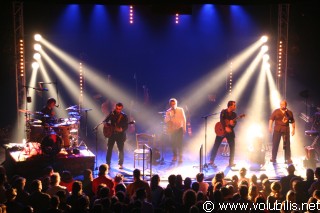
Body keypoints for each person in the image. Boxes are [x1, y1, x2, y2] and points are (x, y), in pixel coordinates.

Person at [209, 100, 238, 167]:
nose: (235, 107)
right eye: (234, 105)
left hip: (229, 132)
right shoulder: (223, 112)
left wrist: (232, 124)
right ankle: (211, 161)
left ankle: (231, 162)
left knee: (232, 147)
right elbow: (221, 120)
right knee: (216, 145)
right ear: (230, 106)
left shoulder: (234, 114)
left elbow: (235, 123)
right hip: (221, 131)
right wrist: (225, 127)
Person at [269, 100, 295, 164]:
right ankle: (273, 158)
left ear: (286, 105)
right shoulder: (276, 111)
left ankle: (288, 159)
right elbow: (271, 119)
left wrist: (293, 129)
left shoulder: (289, 112)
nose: (281, 105)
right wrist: (270, 127)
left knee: (287, 145)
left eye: (283, 104)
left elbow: (293, 121)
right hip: (277, 129)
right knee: (275, 144)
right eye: (280, 104)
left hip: (286, 129)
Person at [104, 102, 129, 169]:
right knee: (109, 149)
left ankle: (120, 164)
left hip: (120, 135)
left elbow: (126, 126)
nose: (118, 110)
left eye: (119, 109)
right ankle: (108, 163)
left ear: (121, 108)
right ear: (115, 107)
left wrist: (122, 129)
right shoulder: (112, 113)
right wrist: (105, 124)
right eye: (117, 108)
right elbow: (105, 120)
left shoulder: (124, 116)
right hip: (112, 134)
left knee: (120, 149)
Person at [164, 98, 186, 162]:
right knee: (173, 143)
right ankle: (175, 156)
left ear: (176, 104)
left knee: (180, 143)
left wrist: (184, 128)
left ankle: (180, 157)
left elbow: (184, 119)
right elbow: (165, 121)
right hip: (172, 129)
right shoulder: (168, 111)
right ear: (170, 104)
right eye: (171, 104)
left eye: (174, 104)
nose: (173, 105)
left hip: (180, 128)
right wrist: (169, 117)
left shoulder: (180, 110)